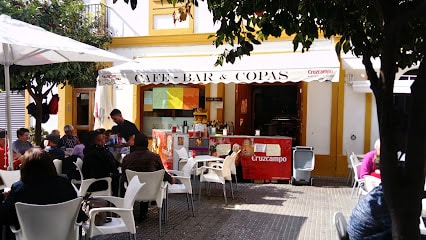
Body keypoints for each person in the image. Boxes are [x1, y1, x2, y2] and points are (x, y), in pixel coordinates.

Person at [0, 147, 87, 227]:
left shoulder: (19, 188)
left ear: (24, 168)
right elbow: (79, 216)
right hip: (63, 235)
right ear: (50, 165)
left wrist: (7, 198)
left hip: (29, 235)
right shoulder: (64, 184)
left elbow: (4, 217)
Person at [121, 133, 175, 221]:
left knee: (124, 179)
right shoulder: (154, 157)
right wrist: (171, 179)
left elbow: (124, 174)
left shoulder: (127, 158)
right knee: (147, 181)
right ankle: (144, 214)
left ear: (136, 143)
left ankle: (125, 209)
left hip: (133, 191)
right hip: (151, 191)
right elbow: (162, 173)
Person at [82, 130, 120, 196]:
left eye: (103, 138)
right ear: (94, 141)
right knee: (120, 179)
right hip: (98, 181)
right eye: (99, 140)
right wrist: (111, 173)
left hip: (104, 176)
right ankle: (117, 199)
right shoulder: (92, 153)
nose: (103, 141)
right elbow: (97, 170)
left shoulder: (103, 149)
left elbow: (112, 161)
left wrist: (119, 164)